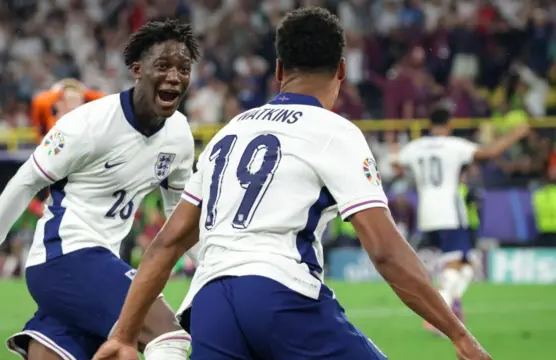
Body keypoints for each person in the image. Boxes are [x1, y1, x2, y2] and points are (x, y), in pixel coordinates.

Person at [94, 8, 491, 360]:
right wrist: (458, 334)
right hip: (280, 295)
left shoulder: (230, 132)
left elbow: (166, 243)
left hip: (209, 303)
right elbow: (385, 251)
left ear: (280, 70)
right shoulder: (336, 132)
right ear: (340, 70)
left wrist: (125, 334)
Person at [0, 20, 200, 360]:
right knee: (169, 337)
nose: (175, 77)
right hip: (64, 257)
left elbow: (180, 219)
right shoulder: (87, 125)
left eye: (184, 69)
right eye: (163, 66)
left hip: (96, 268)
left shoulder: (178, 135)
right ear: (137, 70)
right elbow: (22, 184)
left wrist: (212, 268)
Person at [394, 107, 529, 332]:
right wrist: (516, 134)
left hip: (426, 211)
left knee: (467, 263)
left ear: (429, 125)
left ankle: (454, 304)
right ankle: (438, 309)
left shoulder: (415, 147)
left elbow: (396, 163)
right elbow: (489, 153)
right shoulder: (454, 145)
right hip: (450, 211)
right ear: (449, 125)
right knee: (457, 262)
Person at [30, 78, 107, 140]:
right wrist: (57, 92)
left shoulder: (88, 121)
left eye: (75, 99)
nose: (72, 104)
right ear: (58, 103)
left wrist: (85, 92)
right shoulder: (53, 122)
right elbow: (38, 101)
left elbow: (105, 99)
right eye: (69, 99)